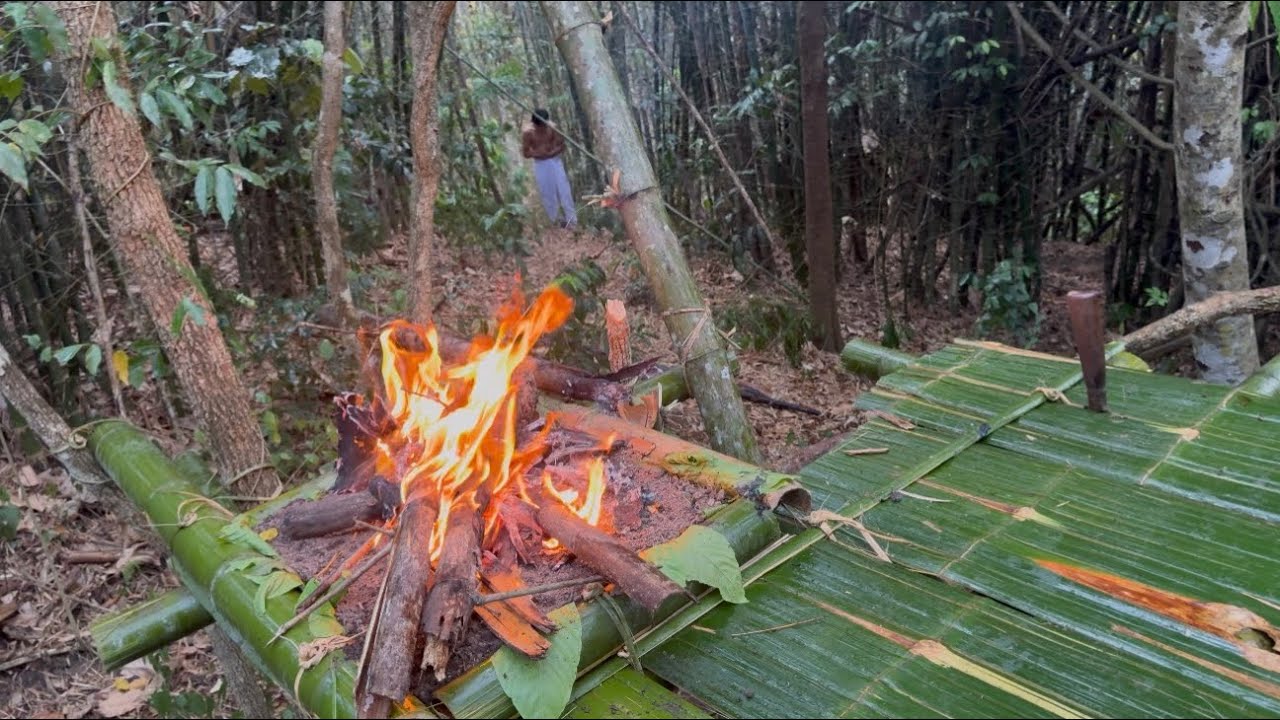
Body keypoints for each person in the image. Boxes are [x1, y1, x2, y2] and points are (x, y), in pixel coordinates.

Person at [522, 108, 577, 229]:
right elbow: (525, 153)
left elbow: (562, 145)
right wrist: (538, 154)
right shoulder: (528, 133)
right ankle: (556, 221)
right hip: (540, 164)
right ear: (535, 124)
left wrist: (552, 152)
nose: (542, 128)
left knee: (564, 189)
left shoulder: (552, 128)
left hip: (555, 161)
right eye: (540, 126)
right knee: (547, 192)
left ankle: (572, 221)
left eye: (544, 125)